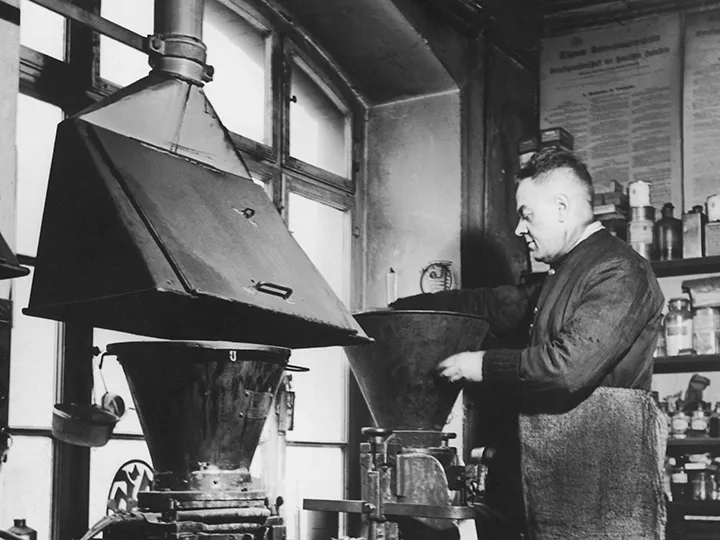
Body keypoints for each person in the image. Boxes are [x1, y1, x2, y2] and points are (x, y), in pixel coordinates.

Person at [390, 147, 666, 539]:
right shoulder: (561, 274)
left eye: (526, 214)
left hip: (605, 494)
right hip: (560, 484)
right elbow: (494, 304)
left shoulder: (620, 271)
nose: (520, 228)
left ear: (561, 208)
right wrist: (403, 308)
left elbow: (566, 369)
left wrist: (480, 365)